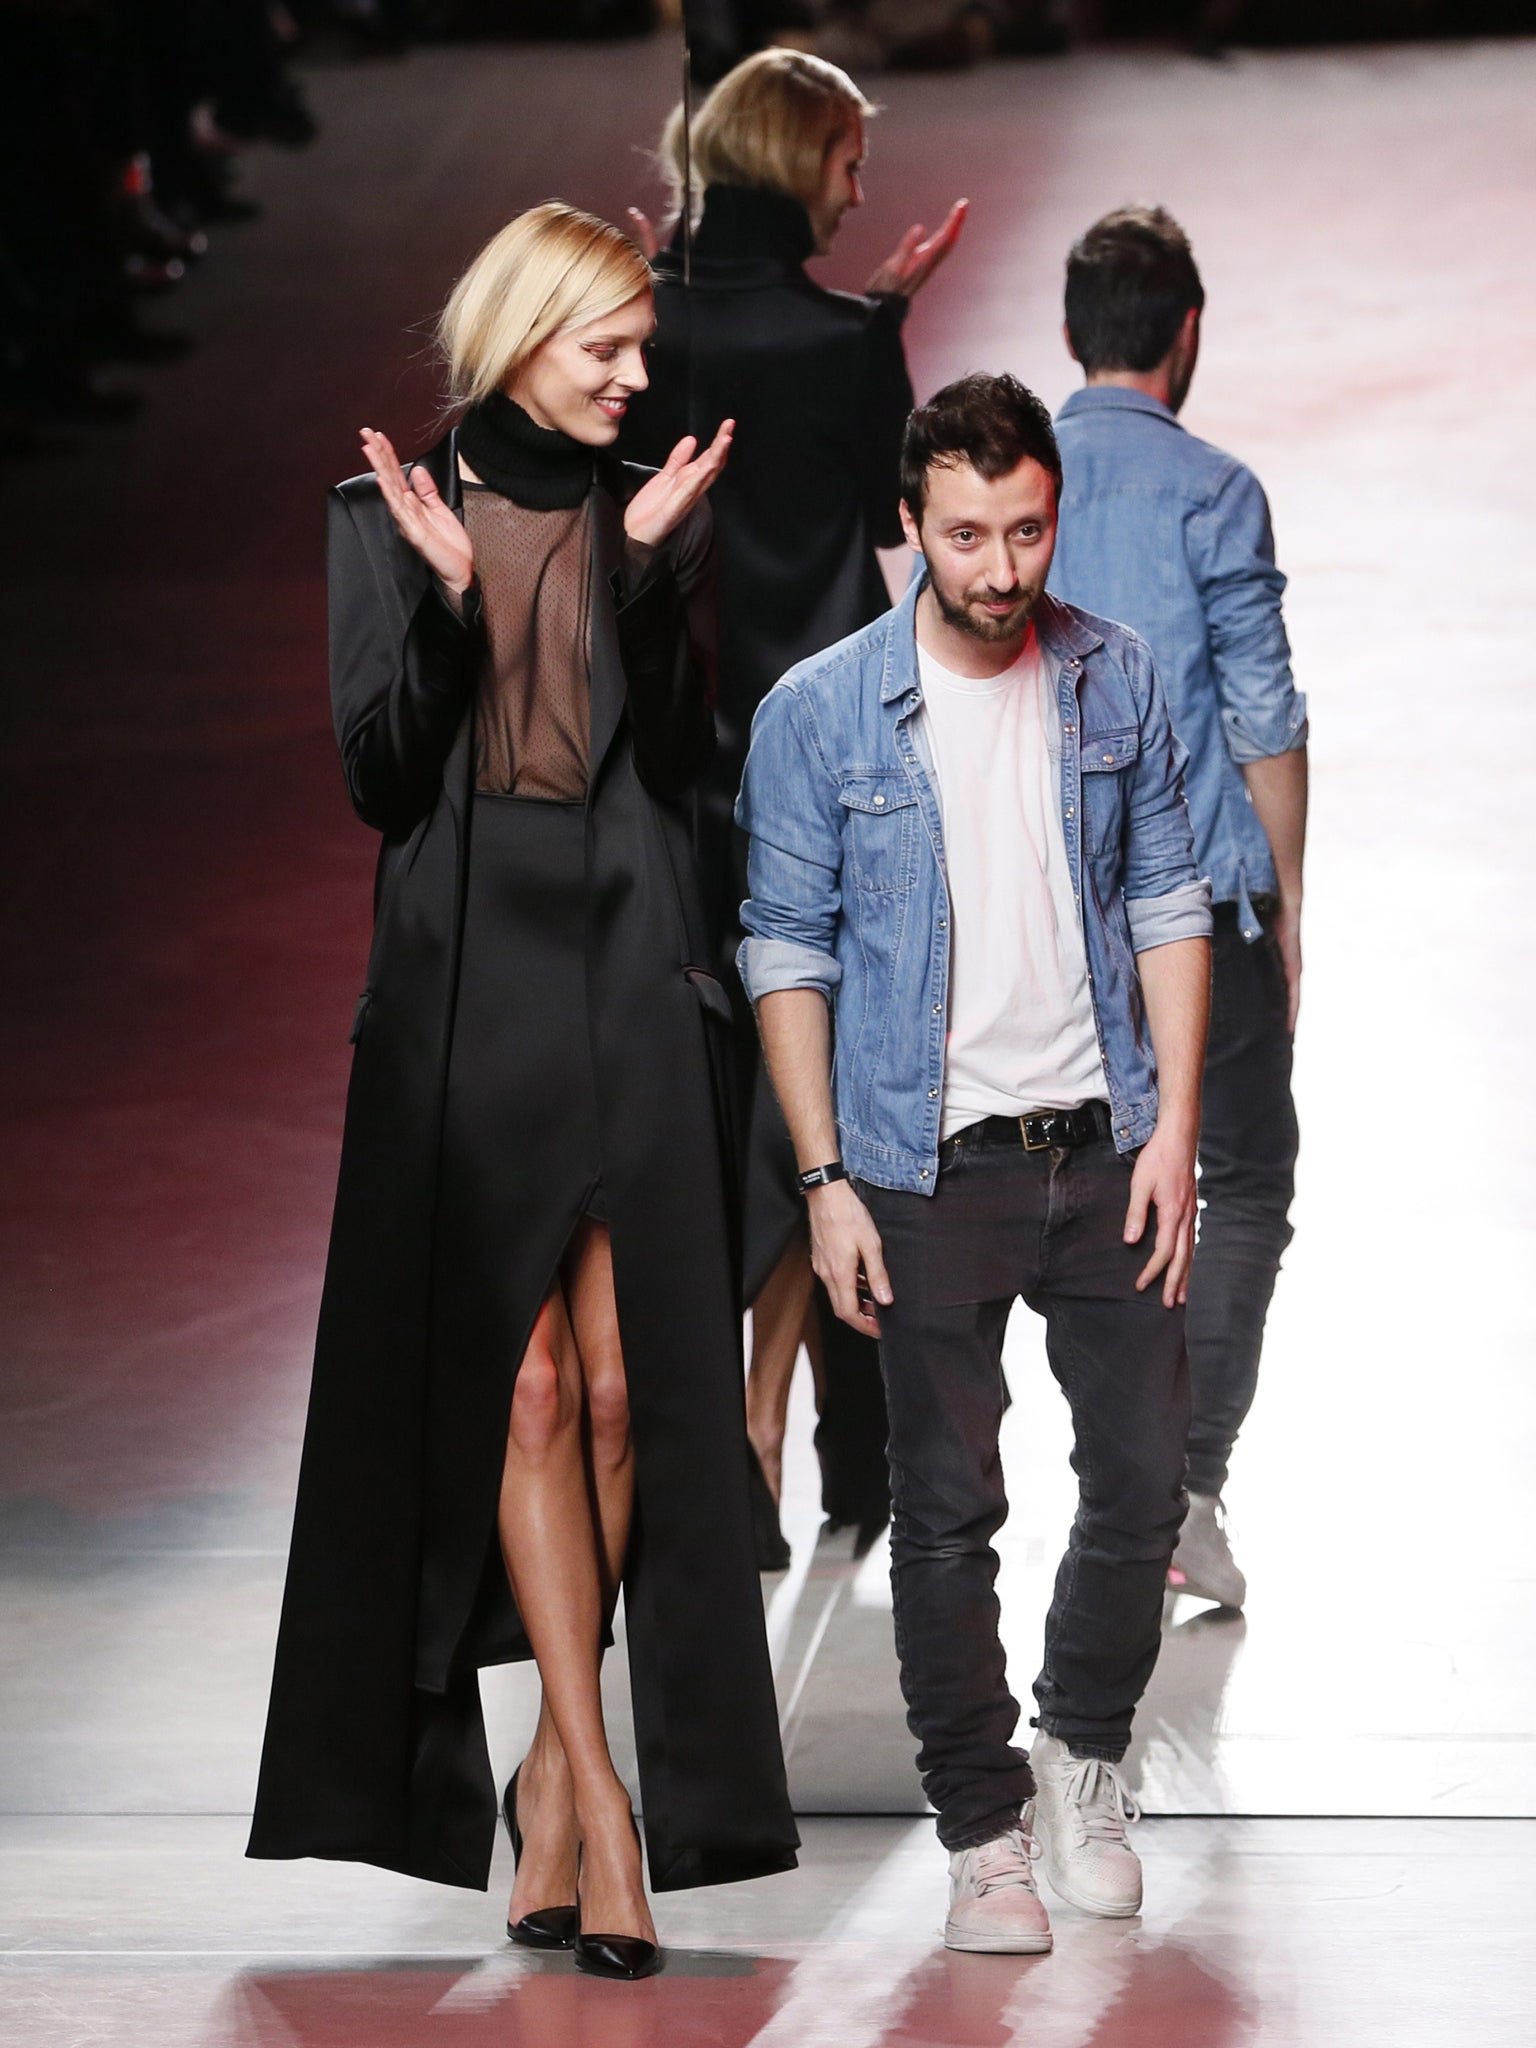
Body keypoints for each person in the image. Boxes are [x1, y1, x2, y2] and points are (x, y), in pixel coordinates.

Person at [247, 202, 798, 1981]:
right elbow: (386, 784)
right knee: (533, 1384)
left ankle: (556, 1780)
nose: (638, 377)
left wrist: (641, 574)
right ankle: (605, 1803)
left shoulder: (643, 512)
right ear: (519, 337)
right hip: (468, 989)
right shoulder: (377, 520)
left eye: (640, 350)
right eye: (607, 349)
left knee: (634, 1387)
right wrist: (448, 599)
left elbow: (680, 761)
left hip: (630, 972)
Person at [736, 373, 1212, 1950]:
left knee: (1144, 1486)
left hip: (1106, 1148)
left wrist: (1178, 1136)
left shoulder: (1114, 678)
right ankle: (981, 1830)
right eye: (966, 535)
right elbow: (786, 952)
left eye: (1026, 531)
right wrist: (822, 1184)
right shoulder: (820, 711)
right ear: (909, 527)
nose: (1002, 569)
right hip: (920, 1170)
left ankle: (1080, 1752)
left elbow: (1167, 905)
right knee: (945, 1512)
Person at [620, 47, 965, 1561]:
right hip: (825, 761)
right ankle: (825, 1439)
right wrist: (876, 323)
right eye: (844, 159)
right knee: (833, 1092)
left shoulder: (644, 325)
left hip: (675, 766)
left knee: (722, 1094)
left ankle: (734, 1432)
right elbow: (890, 521)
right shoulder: (840, 341)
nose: (858, 187)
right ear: (793, 157)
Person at [1049, 205, 1306, 1611]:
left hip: (1051, 915)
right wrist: (1290, 905)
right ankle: (1180, 1492)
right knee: (1243, 1179)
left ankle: (1124, 1492)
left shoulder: (1015, 483)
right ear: (1187, 330)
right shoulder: (1216, 490)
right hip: (1201, 904)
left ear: (1075, 330)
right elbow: (1261, 713)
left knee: (1090, 1196)